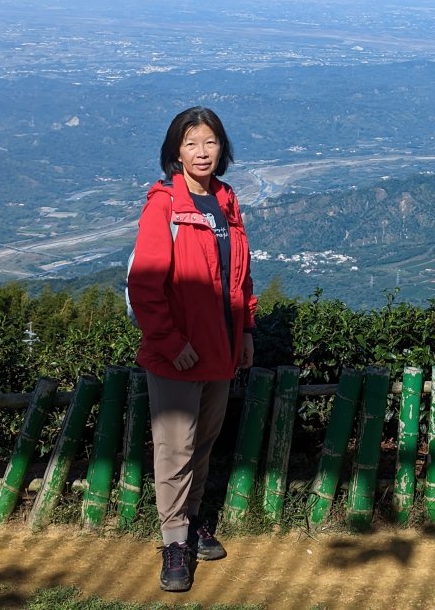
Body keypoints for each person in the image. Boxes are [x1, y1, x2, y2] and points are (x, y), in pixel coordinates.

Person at [127, 106, 257, 592]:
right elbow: (144, 285)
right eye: (191, 144)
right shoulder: (164, 205)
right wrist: (170, 341)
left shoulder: (226, 199)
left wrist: (245, 332)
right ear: (174, 152)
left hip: (220, 347)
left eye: (210, 142)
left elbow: (240, 277)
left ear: (222, 149)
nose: (202, 152)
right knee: (175, 449)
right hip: (178, 355)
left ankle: (194, 520)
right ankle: (175, 543)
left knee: (202, 441)